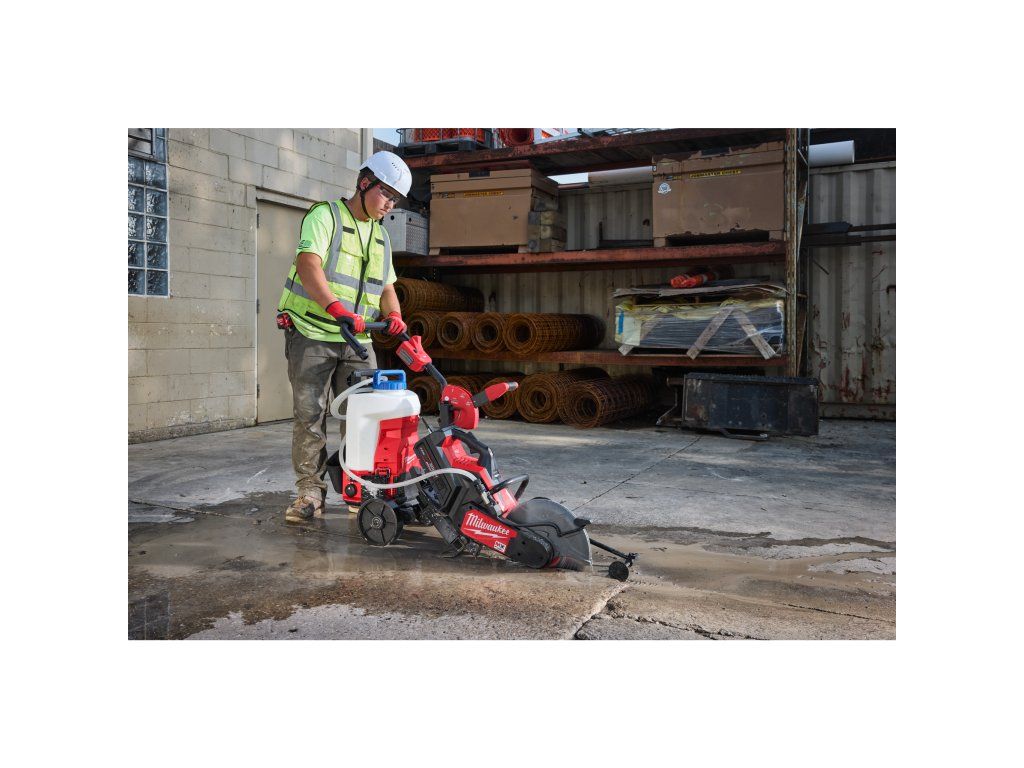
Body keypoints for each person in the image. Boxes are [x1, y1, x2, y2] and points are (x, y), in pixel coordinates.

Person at [276, 151, 411, 523]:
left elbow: (387, 287)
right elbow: (308, 264)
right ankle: (310, 493)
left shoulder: (380, 236)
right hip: (311, 333)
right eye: (386, 194)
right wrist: (336, 308)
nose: (389, 204)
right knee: (310, 415)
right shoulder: (326, 216)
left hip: (358, 341)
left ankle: (358, 488)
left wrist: (395, 316)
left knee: (364, 416)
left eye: (395, 199)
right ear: (365, 183)